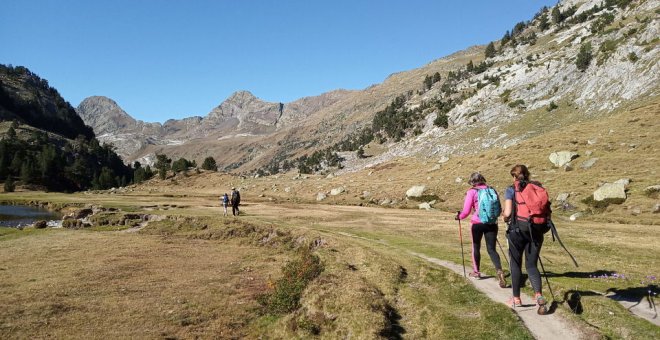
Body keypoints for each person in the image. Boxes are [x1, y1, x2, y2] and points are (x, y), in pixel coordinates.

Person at [502, 164, 550, 315]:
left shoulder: (511, 189)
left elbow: (508, 213)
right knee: (532, 265)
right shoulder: (537, 187)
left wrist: (504, 217)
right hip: (536, 231)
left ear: (514, 176)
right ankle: (539, 296)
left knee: (515, 264)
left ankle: (516, 298)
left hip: (517, 231)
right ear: (527, 174)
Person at [456, 172, 507, 288]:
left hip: (477, 223)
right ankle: (499, 270)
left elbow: (466, 211)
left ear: (472, 182)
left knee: (476, 246)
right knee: (492, 249)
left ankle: (476, 271)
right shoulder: (491, 190)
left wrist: (459, 217)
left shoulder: (472, 192)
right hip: (492, 223)